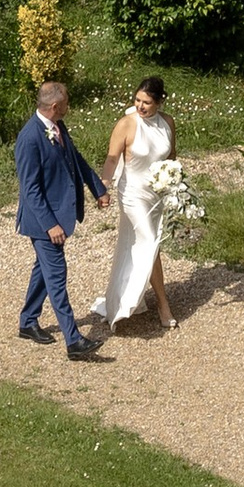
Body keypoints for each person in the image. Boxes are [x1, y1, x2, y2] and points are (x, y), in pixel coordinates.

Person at [14, 78, 108, 359]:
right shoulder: (30, 138)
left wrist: (98, 189)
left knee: (43, 271)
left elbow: (74, 159)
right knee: (57, 277)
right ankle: (74, 341)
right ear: (55, 106)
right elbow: (29, 189)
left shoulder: (56, 127)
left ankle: (28, 321)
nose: (69, 106)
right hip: (43, 222)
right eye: (67, 102)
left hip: (57, 216)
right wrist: (50, 224)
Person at [92, 76, 179, 336]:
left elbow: (171, 157)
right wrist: (102, 187)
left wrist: (173, 182)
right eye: (138, 100)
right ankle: (163, 306)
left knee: (144, 244)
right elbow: (111, 159)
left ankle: (128, 294)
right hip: (132, 193)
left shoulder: (168, 123)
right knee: (150, 240)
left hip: (156, 194)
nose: (141, 106)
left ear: (159, 102)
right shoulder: (126, 124)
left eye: (147, 102)